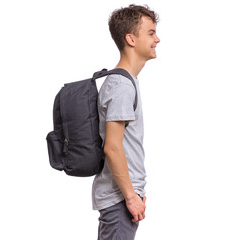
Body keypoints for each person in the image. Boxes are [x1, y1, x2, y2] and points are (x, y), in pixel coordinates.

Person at [92, 4, 160, 239]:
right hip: (119, 199)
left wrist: (136, 192)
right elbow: (112, 147)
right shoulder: (121, 86)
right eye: (150, 33)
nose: (157, 39)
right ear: (130, 39)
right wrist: (131, 196)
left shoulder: (125, 82)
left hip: (123, 197)